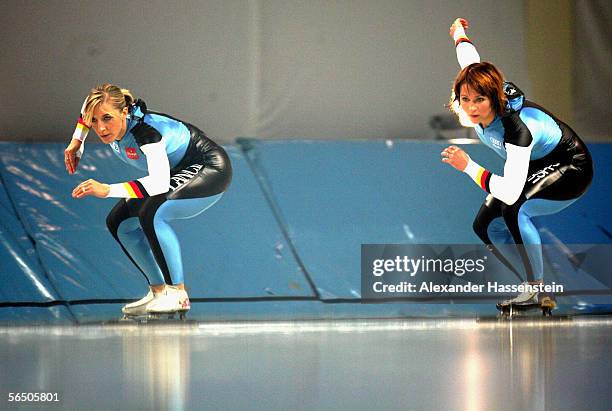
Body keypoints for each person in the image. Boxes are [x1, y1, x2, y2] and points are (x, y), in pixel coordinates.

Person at [441, 18, 593, 312]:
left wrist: (469, 166)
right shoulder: (474, 90)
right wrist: (459, 33)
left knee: (515, 207)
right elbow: (470, 60)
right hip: (537, 163)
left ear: (494, 98)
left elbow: (510, 193)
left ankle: (536, 288)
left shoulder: (516, 131)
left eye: (479, 100)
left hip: (571, 166)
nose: (471, 107)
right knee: (485, 225)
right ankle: (530, 282)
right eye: (465, 99)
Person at [64, 84, 232, 317]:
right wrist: (77, 142)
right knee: (119, 222)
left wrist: (107, 190)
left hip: (208, 166)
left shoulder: (146, 135)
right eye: (95, 121)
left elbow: (159, 185)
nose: (100, 128)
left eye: (107, 119)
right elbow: (84, 115)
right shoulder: (100, 118)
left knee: (152, 213)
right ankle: (159, 292)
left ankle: (177, 294)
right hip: (177, 169)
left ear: (124, 112)